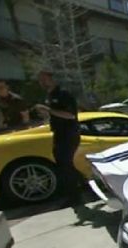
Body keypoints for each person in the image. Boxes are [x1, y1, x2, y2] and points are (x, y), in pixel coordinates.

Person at [34, 71, 82, 203]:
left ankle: (75, 197)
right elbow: (54, 114)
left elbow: (71, 115)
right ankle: (80, 185)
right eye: (40, 80)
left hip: (69, 134)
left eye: (44, 79)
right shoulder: (49, 96)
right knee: (62, 164)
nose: (42, 82)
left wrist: (49, 110)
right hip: (58, 134)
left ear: (52, 79)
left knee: (66, 164)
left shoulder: (63, 94)